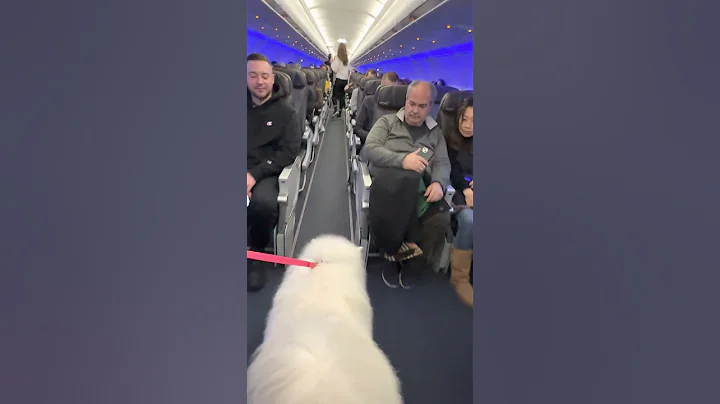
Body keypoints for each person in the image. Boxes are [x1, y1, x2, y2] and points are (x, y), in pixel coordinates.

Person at [363, 81, 452, 286]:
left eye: (422, 106)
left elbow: (442, 162)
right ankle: (394, 255)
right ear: (406, 101)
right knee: (405, 182)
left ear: (430, 106)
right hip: (388, 186)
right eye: (412, 104)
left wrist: (438, 183)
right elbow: (371, 149)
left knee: (441, 218)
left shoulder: (435, 132)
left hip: (420, 189)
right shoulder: (387, 122)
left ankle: (409, 258)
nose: (415, 110)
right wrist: (403, 161)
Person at [246, 53, 302, 291]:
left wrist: (254, 175)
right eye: (253, 75)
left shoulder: (286, 113)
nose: (260, 81)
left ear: (273, 79)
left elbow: (288, 152)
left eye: (265, 76)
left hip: (267, 171)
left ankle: (257, 255)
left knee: (264, 204)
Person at [445, 97, 474, 307]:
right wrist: (466, 188)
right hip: (456, 190)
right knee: (470, 220)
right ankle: (460, 277)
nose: (467, 125)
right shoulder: (450, 139)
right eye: (464, 119)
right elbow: (452, 170)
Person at [354, 71, 399, 148]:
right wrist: (374, 139)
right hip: (370, 143)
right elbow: (358, 128)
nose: (390, 93)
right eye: (387, 89)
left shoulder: (401, 105)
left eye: (393, 90)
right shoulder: (369, 101)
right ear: (380, 86)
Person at [330, 43, 352, 117]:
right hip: (345, 81)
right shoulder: (347, 59)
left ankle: (336, 109)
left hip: (339, 79)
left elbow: (334, 69)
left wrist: (331, 62)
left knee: (334, 96)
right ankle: (340, 112)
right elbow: (348, 70)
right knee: (342, 96)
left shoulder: (337, 58)